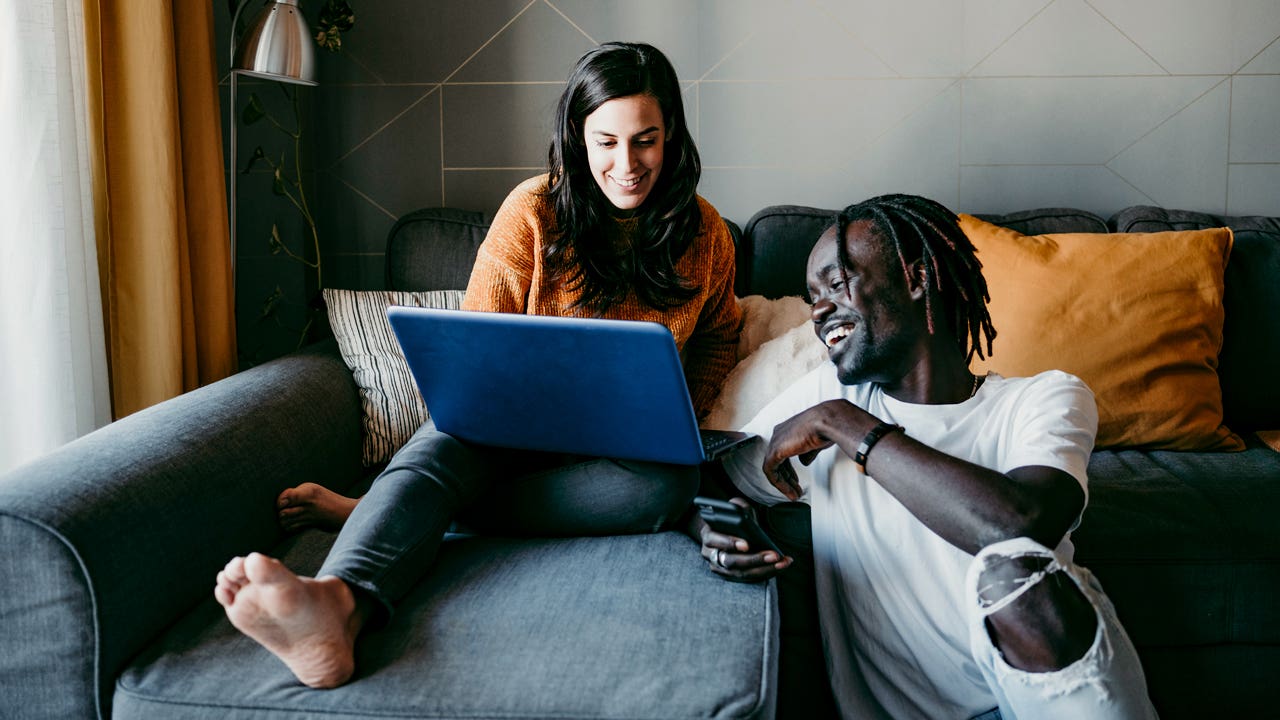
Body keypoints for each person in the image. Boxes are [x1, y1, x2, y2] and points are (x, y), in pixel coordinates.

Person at [214, 41, 744, 689]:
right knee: (442, 441)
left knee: (671, 485)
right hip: (508, 438)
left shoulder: (708, 235)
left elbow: (720, 334)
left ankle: (384, 508)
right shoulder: (533, 210)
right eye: (605, 142)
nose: (626, 164)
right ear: (578, 141)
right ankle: (336, 603)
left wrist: (678, 416)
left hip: (620, 457)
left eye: (646, 141)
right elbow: (471, 349)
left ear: (672, 136)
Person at [707, 194, 1157, 719]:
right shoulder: (829, 395)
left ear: (917, 278)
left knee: (1012, 574)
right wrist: (711, 533)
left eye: (837, 283)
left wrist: (850, 428)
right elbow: (709, 479)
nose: (819, 309)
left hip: (1039, 702)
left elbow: (1021, 524)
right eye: (813, 296)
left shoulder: (1042, 398)